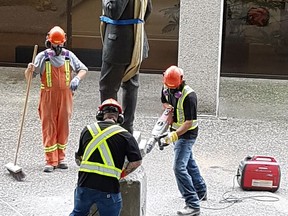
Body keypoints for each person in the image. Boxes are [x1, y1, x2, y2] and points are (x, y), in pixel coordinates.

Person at [24, 26, 88, 172]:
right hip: (48, 97)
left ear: (63, 42)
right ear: (49, 42)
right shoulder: (43, 57)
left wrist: (77, 78)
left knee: (63, 126)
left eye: (60, 44)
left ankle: (61, 158)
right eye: (55, 44)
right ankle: (50, 160)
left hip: (66, 97)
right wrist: (29, 69)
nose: (57, 47)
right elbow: (29, 79)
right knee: (49, 127)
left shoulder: (68, 56)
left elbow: (83, 69)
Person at [70, 98, 142, 216]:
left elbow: (79, 158)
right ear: (119, 117)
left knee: (78, 213)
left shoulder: (87, 130)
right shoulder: (125, 135)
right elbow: (136, 161)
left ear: (100, 114)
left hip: (85, 184)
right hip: (109, 187)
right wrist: (122, 174)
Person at [99, 0, 153, 134]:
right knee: (130, 84)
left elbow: (114, 11)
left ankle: (110, 128)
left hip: (118, 43)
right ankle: (127, 127)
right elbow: (148, 9)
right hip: (135, 40)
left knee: (108, 86)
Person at [161, 66, 207, 216]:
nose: (172, 90)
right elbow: (164, 101)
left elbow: (188, 122)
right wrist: (168, 109)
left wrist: (173, 137)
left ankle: (192, 204)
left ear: (181, 80)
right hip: (175, 130)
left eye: (174, 87)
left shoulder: (190, 96)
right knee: (188, 162)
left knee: (179, 167)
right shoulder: (167, 87)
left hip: (187, 135)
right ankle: (200, 191)